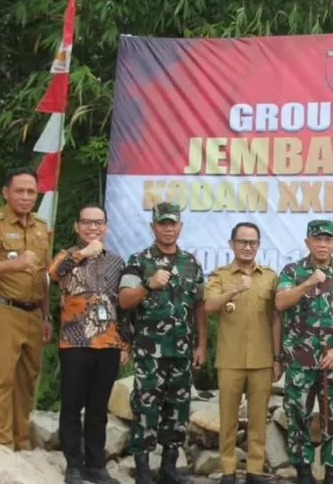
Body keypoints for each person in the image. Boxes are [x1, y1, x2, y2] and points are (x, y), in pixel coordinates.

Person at [118, 202, 208, 484]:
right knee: (146, 409)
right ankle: (143, 471)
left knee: (178, 410)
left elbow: (200, 306)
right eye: (162, 224)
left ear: (180, 227)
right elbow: (124, 300)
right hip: (149, 352)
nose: (168, 229)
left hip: (181, 351)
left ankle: (169, 469)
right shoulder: (139, 260)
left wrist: (201, 345)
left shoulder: (191, 263)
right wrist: (148, 285)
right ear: (153, 226)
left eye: (173, 224)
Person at [0, 167, 52, 451]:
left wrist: (46, 315)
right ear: (6, 193)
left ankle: (21, 441)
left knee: (27, 380)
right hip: (1, 308)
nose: (26, 197)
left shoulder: (41, 227)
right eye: (20, 191)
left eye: (31, 191)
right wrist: (14, 264)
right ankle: (2, 444)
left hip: (33, 312)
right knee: (2, 378)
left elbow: (43, 276)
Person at [274, 220, 333, 484]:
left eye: (328, 239)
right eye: (317, 239)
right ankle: (303, 472)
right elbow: (280, 302)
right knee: (297, 415)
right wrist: (308, 283)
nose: (323, 244)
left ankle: (332, 472)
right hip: (300, 361)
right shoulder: (293, 271)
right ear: (307, 242)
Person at [49, 204, 128, 484]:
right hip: (75, 342)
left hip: (108, 343)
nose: (92, 227)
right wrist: (83, 254)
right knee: (72, 405)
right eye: (87, 222)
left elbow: (122, 304)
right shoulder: (66, 256)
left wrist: (124, 342)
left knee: (98, 408)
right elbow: (54, 273)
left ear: (106, 227)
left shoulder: (116, 261)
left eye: (98, 223)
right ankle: (73, 465)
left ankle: (96, 465)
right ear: (77, 226)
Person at [204, 222, 282, 484]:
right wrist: (235, 289)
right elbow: (209, 306)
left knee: (258, 419)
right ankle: (228, 470)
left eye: (252, 242)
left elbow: (275, 319)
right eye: (242, 242)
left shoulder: (270, 277)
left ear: (258, 245)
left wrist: (277, 358)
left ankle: (254, 471)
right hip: (230, 359)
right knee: (228, 419)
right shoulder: (220, 276)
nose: (247, 247)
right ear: (232, 244)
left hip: (262, 359)